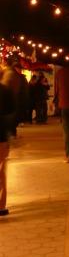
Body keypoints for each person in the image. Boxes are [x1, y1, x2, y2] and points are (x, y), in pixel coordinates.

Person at [0, 56, 29, 135]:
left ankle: (12, 133)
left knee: (13, 118)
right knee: (12, 118)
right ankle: (11, 133)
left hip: (14, 99)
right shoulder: (12, 74)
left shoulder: (12, 74)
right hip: (13, 99)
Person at [0, 82, 14, 216]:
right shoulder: (5, 89)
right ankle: (1, 205)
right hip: (1, 133)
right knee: (2, 168)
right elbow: (11, 110)